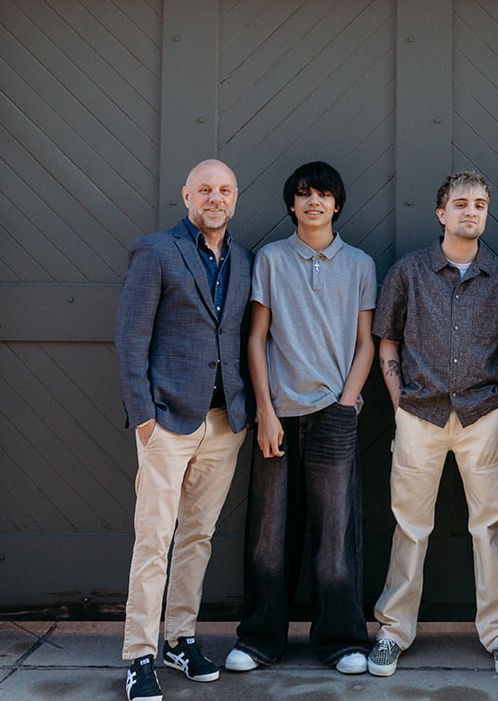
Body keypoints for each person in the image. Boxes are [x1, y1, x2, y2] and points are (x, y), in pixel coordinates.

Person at [366, 171, 498, 678]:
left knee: (490, 527)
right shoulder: (409, 272)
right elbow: (386, 340)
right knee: (410, 527)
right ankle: (393, 632)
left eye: (480, 204)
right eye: (461, 204)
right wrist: (398, 401)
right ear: (441, 214)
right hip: (419, 415)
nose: (471, 212)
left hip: (482, 419)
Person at [226, 161, 376, 675]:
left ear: (337, 204)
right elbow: (255, 337)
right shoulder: (270, 259)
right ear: (292, 204)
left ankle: (341, 641)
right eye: (304, 194)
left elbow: (366, 343)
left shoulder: (359, 263)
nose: (314, 202)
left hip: (333, 414)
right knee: (270, 535)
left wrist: (346, 404)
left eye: (324, 194)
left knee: (336, 534)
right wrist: (264, 411)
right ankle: (261, 639)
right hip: (278, 416)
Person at [115, 159, 254, 701]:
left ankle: (180, 638)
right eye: (205, 189)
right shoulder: (155, 251)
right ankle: (138, 655)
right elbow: (130, 340)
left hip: (225, 423)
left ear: (235, 198)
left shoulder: (244, 261)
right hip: (168, 421)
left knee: (198, 537)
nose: (215, 198)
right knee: (154, 539)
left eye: (224, 190)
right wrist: (144, 417)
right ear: (186, 195)